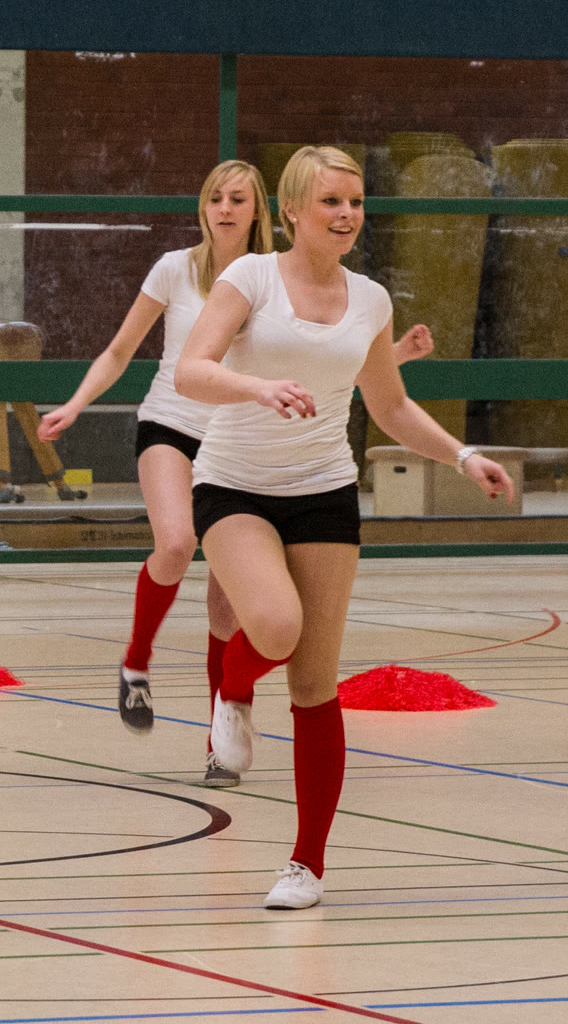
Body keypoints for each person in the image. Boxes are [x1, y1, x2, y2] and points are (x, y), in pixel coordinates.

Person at [176, 145, 512, 908]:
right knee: (273, 624)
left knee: (314, 684)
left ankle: (306, 865)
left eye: (356, 202)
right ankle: (232, 691)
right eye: (331, 201)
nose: (347, 215)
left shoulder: (371, 299)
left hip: (324, 491)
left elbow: (389, 407)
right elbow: (192, 371)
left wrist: (464, 457)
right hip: (233, 484)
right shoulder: (249, 278)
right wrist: (257, 388)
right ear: (292, 210)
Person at [38, 160, 434, 765]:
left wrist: (393, 357)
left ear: (261, 212)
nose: (224, 208)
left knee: (231, 615)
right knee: (176, 543)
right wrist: (74, 404)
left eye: (238, 199)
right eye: (215, 197)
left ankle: (219, 737)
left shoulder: (288, 276)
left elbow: (324, 372)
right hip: (176, 425)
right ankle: (136, 662)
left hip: (244, 441)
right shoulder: (179, 270)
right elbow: (120, 351)